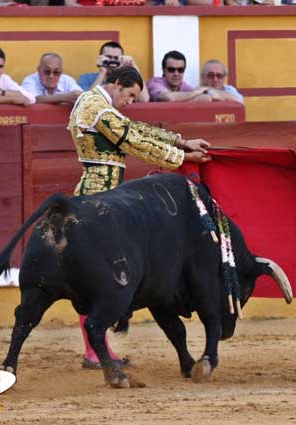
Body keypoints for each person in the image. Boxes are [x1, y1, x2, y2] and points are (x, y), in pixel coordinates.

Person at [68, 65, 211, 368]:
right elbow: (132, 140)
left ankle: (96, 350)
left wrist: (180, 142)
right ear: (118, 84)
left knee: (97, 277)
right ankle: (95, 351)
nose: (131, 102)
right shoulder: (95, 107)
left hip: (100, 194)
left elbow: (136, 129)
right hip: (97, 199)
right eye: (130, 96)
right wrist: (181, 158)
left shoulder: (98, 104)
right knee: (95, 279)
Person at [77, 41, 149, 102]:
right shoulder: (86, 78)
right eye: (108, 57)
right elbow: (85, 100)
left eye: (116, 58)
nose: (112, 61)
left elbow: (144, 99)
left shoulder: (128, 80)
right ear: (100, 58)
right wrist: (103, 72)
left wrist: (133, 65)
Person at [147, 50, 212, 102]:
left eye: (180, 70)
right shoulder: (154, 83)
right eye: (171, 69)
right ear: (163, 70)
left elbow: (207, 98)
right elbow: (168, 98)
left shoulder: (182, 86)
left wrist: (181, 99)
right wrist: (195, 93)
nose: (176, 74)